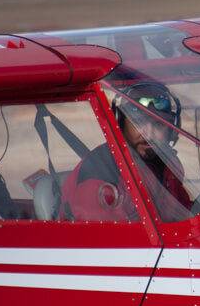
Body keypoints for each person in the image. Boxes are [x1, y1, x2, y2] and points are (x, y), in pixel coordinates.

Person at [60, 81, 192, 222]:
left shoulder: (166, 166)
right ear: (121, 124)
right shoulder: (101, 176)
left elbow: (182, 214)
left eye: (158, 124)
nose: (148, 133)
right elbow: (103, 239)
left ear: (171, 130)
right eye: (138, 123)